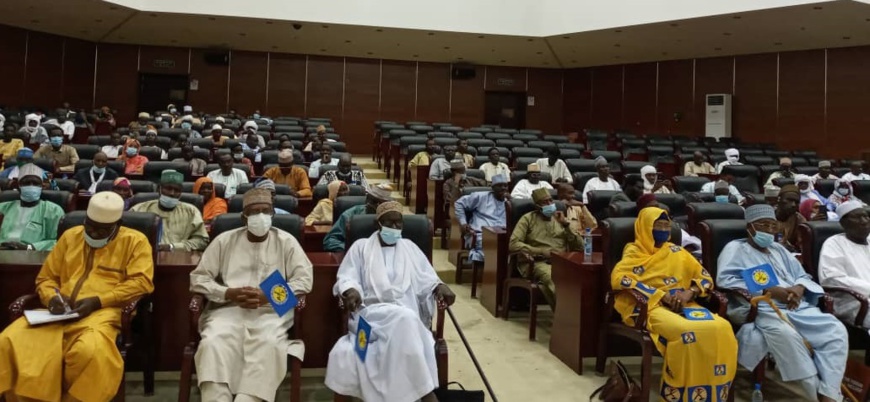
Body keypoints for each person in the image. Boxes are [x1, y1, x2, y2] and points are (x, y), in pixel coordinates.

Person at [0, 191, 154, 402]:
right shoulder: (71, 236)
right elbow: (46, 278)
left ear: (117, 226)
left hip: (103, 313)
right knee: (10, 339)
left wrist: (98, 301)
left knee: (88, 352)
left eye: (102, 230)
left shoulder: (135, 241)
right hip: (58, 312)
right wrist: (51, 298)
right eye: (89, 226)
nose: (93, 233)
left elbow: (141, 283)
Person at [190, 188, 313, 402]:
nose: (260, 217)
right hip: (228, 310)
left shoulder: (286, 242)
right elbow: (199, 278)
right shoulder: (224, 241)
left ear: (273, 214)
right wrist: (228, 292)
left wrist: (270, 296)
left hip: (271, 313)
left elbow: (304, 280)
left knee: (269, 343)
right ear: (243, 217)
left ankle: (250, 398)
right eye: (254, 212)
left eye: (265, 211)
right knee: (212, 342)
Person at [325, 201, 455, 402]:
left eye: (399, 223)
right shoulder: (361, 247)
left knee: (407, 318)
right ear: (379, 224)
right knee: (406, 318)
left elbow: (426, 278)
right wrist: (351, 290)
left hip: (408, 317)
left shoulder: (410, 248)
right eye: (390, 223)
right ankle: (426, 395)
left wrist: (439, 286)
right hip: (368, 319)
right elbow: (347, 276)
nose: (395, 228)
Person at [717, 204, 847, 402]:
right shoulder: (735, 248)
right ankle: (815, 394)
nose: (769, 230)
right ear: (750, 227)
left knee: (836, 330)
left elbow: (803, 275)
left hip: (796, 305)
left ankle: (829, 392)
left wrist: (798, 288)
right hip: (764, 307)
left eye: (772, 225)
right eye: (763, 225)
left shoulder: (779, 249)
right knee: (787, 336)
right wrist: (767, 290)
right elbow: (725, 280)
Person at [612, 206, 737, 401]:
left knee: (722, 328)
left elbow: (704, 277)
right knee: (686, 331)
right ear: (645, 228)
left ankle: (713, 393)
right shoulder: (634, 251)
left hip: (685, 303)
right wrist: (660, 295)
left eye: (666, 226)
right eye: (658, 226)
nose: (663, 230)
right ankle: (680, 393)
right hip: (649, 306)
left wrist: (691, 292)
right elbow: (620, 278)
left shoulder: (677, 251)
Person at [509, 188, 583, 308]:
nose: (550, 205)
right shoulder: (528, 219)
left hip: (562, 261)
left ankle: (580, 316)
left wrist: (566, 225)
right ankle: (565, 317)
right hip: (537, 262)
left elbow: (580, 247)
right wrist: (542, 251)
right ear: (537, 206)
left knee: (584, 278)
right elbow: (514, 244)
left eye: (550, 201)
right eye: (545, 202)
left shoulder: (561, 219)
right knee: (555, 277)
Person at [819, 201, 870, 328]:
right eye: (857, 217)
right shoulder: (834, 244)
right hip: (853, 301)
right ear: (843, 223)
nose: (864, 221)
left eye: (866, 216)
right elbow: (832, 279)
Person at [131, 170, 209, 251]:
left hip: (178, 258)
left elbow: (202, 241)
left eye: (177, 190)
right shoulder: (139, 209)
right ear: (159, 189)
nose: (172, 193)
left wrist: (172, 247)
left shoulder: (192, 211)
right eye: (168, 188)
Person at [0, 164, 64, 251]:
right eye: (26, 183)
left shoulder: (53, 210)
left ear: (41, 187)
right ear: (19, 186)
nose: (31, 186)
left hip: (33, 257)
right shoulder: (2, 208)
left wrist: (29, 247)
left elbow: (59, 241)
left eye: (35, 183)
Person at [455, 174, 509, 263]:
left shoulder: (509, 203)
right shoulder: (481, 197)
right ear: (492, 188)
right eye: (500, 185)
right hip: (479, 234)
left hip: (502, 236)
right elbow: (459, 203)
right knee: (495, 249)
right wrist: (463, 223)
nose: (503, 188)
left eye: (505, 186)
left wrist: (511, 203)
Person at [323, 183, 393, 252]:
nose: (374, 205)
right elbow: (330, 240)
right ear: (367, 199)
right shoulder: (351, 214)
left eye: (381, 204)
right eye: (373, 201)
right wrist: (354, 250)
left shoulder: (393, 218)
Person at [776, 184, 806, 252]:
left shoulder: (799, 220)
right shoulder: (768, 216)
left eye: (796, 202)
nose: (793, 205)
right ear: (779, 199)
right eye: (789, 200)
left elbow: (803, 246)